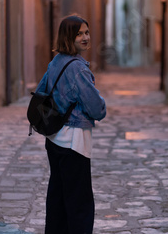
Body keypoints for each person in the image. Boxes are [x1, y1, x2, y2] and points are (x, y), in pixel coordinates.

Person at [34, 15, 106, 234]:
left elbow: (41, 92)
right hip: (74, 142)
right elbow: (97, 109)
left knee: (57, 198)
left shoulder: (55, 62)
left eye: (86, 32)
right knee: (79, 204)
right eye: (79, 34)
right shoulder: (79, 69)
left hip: (54, 138)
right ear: (68, 37)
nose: (85, 37)